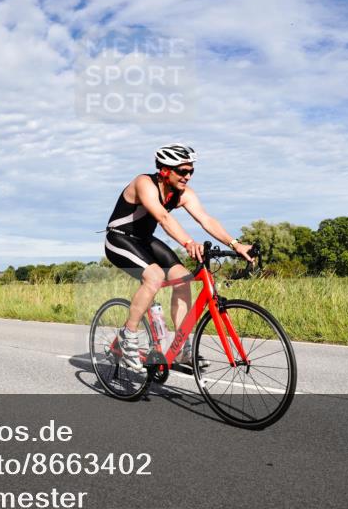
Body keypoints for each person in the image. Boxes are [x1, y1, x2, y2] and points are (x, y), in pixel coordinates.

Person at [104, 144, 254, 372]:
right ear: (165, 170)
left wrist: (235, 244)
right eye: (182, 171)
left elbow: (206, 220)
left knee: (184, 278)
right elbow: (163, 218)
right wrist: (188, 242)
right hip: (119, 238)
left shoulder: (184, 194)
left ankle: (181, 347)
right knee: (153, 277)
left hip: (144, 239)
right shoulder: (144, 183)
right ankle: (128, 336)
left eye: (191, 171)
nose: (188, 176)